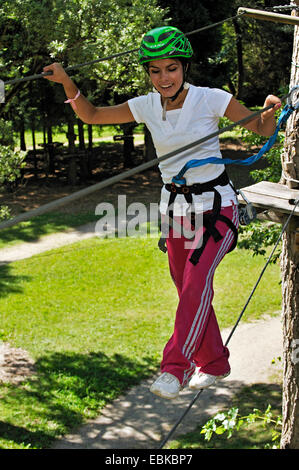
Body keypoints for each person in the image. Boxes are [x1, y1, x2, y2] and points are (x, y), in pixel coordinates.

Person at [43, 26, 282, 400]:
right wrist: (65, 81)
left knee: (195, 285)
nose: (164, 77)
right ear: (148, 74)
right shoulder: (146, 105)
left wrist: (270, 110)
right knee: (187, 289)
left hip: (217, 208)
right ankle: (215, 363)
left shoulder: (211, 99)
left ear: (184, 67)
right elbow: (91, 116)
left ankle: (175, 368)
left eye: (171, 68)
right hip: (175, 213)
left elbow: (258, 127)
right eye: (155, 71)